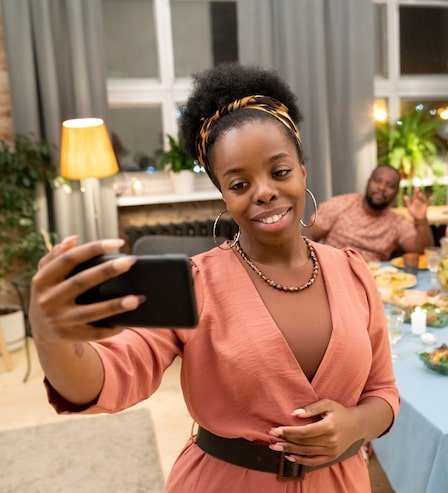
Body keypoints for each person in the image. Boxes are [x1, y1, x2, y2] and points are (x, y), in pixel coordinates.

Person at [28, 64, 399, 491]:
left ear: (303, 170)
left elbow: (384, 393)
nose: (262, 192)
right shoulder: (195, 284)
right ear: (222, 193)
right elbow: (110, 377)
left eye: (279, 172)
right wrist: (51, 336)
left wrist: (354, 424)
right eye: (239, 183)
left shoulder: (353, 271)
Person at [305, 165, 434, 262]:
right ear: (368, 182)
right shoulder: (340, 204)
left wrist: (421, 220)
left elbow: (421, 252)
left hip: (372, 281)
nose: (382, 188)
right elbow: (307, 236)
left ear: (395, 193)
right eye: (378, 181)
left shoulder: (396, 222)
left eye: (390, 185)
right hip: (332, 271)